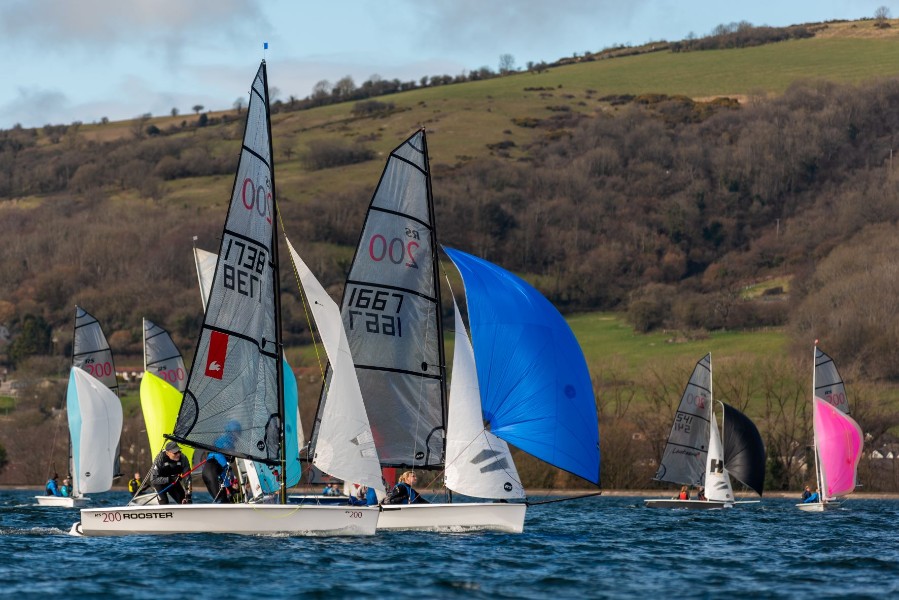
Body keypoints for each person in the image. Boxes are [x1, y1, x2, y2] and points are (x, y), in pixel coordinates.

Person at [202, 420, 240, 503]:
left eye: (238, 432)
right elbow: (217, 454)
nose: (237, 435)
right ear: (230, 432)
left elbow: (224, 474)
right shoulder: (223, 440)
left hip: (215, 472)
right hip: (210, 473)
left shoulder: (231, 445)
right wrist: (227, 467)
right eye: (236, 432)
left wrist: (230, 488)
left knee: (225, 500)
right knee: (220, 499)